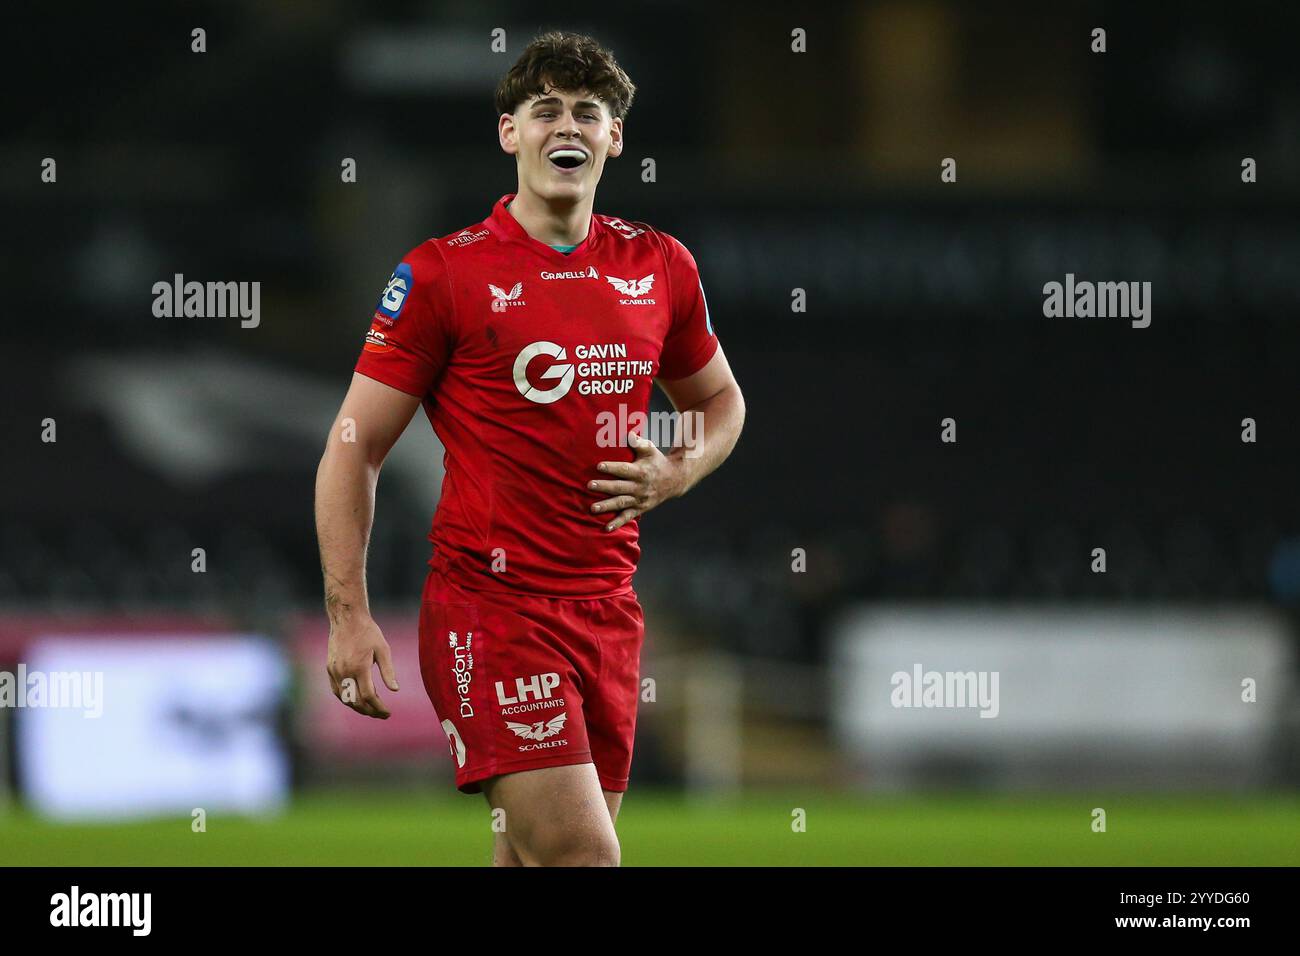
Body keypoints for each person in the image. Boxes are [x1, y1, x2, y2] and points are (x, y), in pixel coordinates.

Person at [315, 30, 744, 866]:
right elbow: (351, 446)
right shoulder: (443, 275)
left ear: (615, 137)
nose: (566, 127)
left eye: (588, 112)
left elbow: (721, 401)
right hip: (492, 608)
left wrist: (681, 466)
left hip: (608, 607)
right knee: (586, 855)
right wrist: (348, 611)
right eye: (544, 110)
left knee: (529, 859)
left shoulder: (659, 266)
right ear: (509, 132)